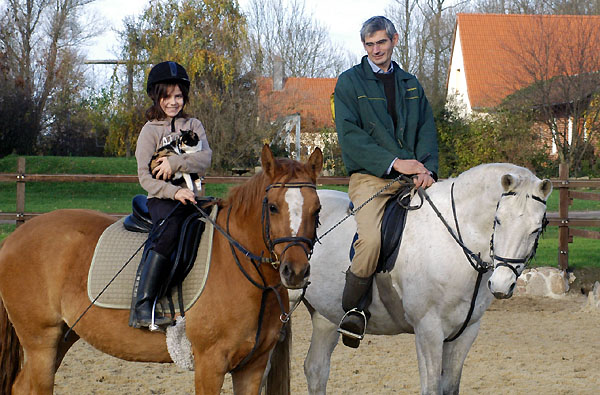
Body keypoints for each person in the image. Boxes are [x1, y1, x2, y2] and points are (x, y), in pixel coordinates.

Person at [334, 16, 439, 348]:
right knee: (371, 241)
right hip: (370, 178)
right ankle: (353, 311)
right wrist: (395, 163)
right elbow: (350, 137)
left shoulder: (411, 83)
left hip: (413, 175)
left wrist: (428, 169)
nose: (376, 50)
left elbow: (426, 130)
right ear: (363, 46)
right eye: (369, 44)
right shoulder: (349, 83)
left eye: (381, 42)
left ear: (394, 40)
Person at [131, 61, 212, 329]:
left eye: (178, 96)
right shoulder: (149, 131)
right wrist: (174, 192)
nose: (173, 102)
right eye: (167, 96)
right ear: (157, 96)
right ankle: (144, 305)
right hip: (162, 199)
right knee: (168, 233)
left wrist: (175, 164)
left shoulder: (194, 125)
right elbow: (145, 178)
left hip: (193, 195)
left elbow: (205, 159)